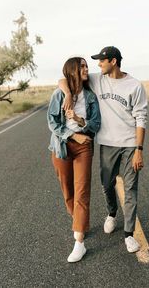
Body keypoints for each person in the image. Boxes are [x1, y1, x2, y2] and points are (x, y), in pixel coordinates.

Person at [59, 47, 148, 253]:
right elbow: (64, 78)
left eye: (102, 61)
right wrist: (66, 94)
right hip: (107, 144)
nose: (98, 65)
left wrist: (139, 149)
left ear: (113, 61)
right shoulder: (97, 79)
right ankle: (111, 213)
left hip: (129, 144)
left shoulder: (134, 85)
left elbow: (141, 118)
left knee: (130, 188)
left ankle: (128, 235)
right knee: (107, 184)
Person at [47, 57, 101, 263]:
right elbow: (52, 122)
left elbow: (96, 124)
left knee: (82, 191)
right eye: (82, 67)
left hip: (84, 147)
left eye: (87, 66)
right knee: (67, 190)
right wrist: (71, 134)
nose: (87, 69)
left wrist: (80, 122)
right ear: (72, 71)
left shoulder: (90, 96)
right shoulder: (59, 94)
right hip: (61, 147)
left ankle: (79, 242)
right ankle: (78, 220)